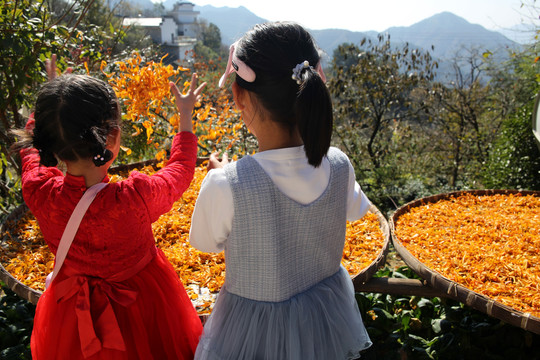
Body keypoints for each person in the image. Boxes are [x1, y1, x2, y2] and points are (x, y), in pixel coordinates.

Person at [189, 22, 373, 360]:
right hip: (325, 321)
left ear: (239, 97)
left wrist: (227, 178)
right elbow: (355, 210)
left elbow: (204, 242)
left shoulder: (224, 185)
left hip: (251, 334)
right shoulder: (339, 164)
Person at [11, 56, 205, 359]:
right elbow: (180, 170)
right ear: (112, 137)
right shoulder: (133, 199)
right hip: (144, 304)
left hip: (70, 316)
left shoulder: (39, 191)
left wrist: (49, 109)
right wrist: (185, 118)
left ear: (48, 136)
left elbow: (31, 154)